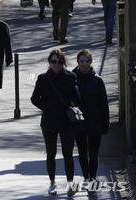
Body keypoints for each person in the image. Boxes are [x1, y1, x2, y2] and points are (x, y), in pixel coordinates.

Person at [30, 49, 81, 197]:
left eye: (59, 61)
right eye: (53, 61)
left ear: (63, 62)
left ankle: (70, 183)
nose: (56, 64)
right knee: (51, 154)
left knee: (68, 154)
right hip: (49, 121)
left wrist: (69, 105)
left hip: (66, 120)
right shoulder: (43, 78)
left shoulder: (71, 77)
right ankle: (52, 183)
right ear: (49, 62)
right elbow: (35, 98)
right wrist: (48, 107)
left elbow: (77, 96)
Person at [72, 49, 109, 194]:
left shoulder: (98, 81)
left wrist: (105, 125)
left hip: (95, 123)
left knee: (93, 153)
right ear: (78, 62)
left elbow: (103, 104)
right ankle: (86, 178)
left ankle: (92, 178)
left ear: (91, 62)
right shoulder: (72, 79)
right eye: (82, 62)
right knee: (82, 153)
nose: (84, 64)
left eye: (87, 61)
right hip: (79, 123)